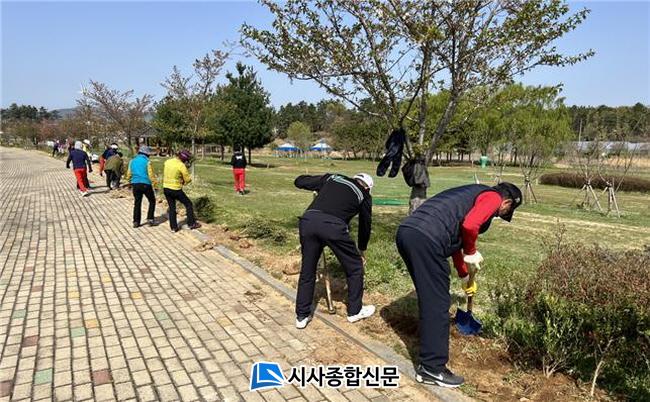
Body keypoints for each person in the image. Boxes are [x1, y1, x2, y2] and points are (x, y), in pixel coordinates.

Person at [395, 182, 522, 388]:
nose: (500, 215)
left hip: (408, 232)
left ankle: (428, 350)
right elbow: (470, 226)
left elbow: (455, 242)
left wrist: (464, 274)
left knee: (431, 298)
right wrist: (471, 252)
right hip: (427, 239)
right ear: (507, 202)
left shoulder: (468, 195)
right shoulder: (493, 197)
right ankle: (432, 369)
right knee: (438, 304)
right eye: (505, 212)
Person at [293, 172, 375, 329]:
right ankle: (355, 311)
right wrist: (362, 249)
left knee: (307, 270)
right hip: (334, 227)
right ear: (368, 187)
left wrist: (319, 187)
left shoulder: (333, 178)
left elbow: (299, 181)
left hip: (308, 221)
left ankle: (301, 316)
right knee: (355, 267)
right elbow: (365, 224)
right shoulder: (364, 195)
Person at [162, 150, 201, 232]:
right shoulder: (181, 165)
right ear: (184, 159)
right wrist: (184, 181)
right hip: (176, 189)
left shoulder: (168, 161)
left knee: (172, 208)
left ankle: (173, 227)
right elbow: (187, 179)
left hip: (166, 188)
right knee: (188, 204)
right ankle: (191, 224)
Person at [126, 145, 157, 228]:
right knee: (152, 201)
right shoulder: (147, 162)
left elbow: (129, 173)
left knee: (137, 203)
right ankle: (150, 219)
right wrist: (155, 184)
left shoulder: (132, 161)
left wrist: (129, 182)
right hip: (146, 184)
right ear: (146, 154)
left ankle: (136, 221)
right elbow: (150, 174)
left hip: (135, 184)